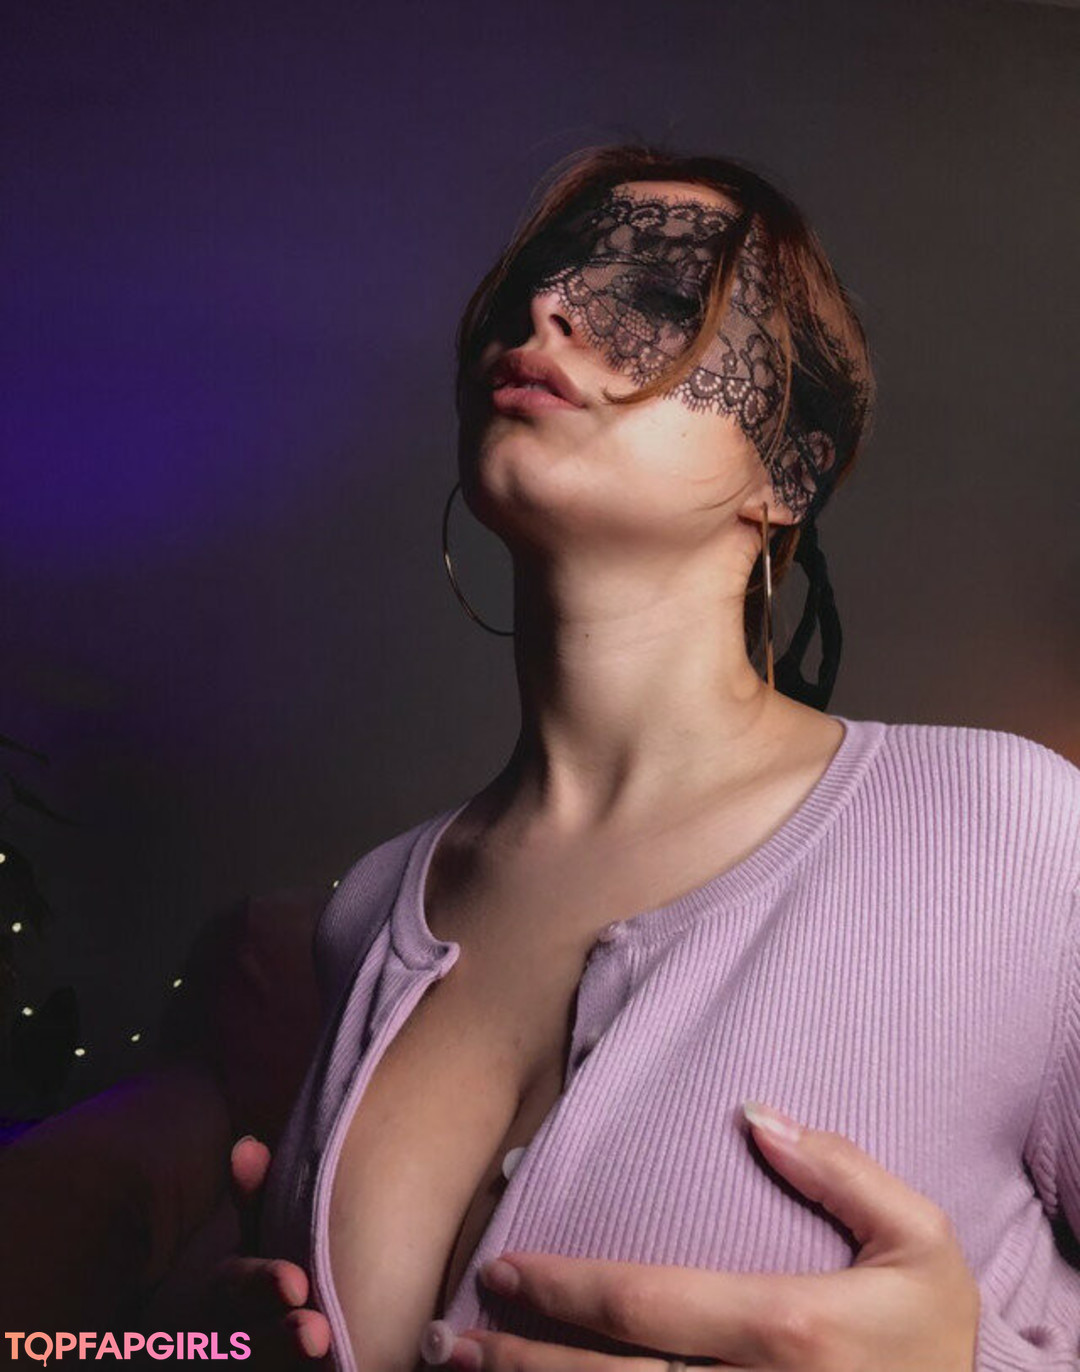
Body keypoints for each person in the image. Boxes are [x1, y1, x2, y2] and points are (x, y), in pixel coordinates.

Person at [217, 145, 1080, 1370]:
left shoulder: (1010, 835)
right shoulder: (370, 908)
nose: (547, 308)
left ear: (789, 471)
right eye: (539, 276)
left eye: (663, 295)